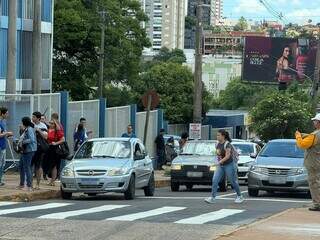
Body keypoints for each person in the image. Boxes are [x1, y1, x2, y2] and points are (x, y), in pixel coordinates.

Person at [205, 129, 244, 204]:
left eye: (218, 135)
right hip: (221, 165)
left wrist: (219, 162)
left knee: (233, 181)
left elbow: (228, 156)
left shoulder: (227, 144)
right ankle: (213, 198)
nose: (217, 137)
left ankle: (240, 196)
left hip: (229, 165)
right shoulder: (217, 144)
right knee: (215, 180)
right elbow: (218, 154)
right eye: (217, 135)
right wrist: (215, 161)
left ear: (223, 136)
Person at [295, 113, 320, 211]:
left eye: (315, 121)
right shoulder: (314, 134)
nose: (314, 123)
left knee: (314, 183)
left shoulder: (315, 135)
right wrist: (305, 135)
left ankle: (317, 204)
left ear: (318, 123)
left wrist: (298, 136)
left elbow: (302, 144)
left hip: (313, 163)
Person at [18, 117, 37, 191]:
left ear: (24, 122)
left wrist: (23, 142)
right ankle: (22, 184)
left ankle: (29, 186)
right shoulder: (27, 128)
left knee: (27, 167)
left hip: (29, 150)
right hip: (25, 150)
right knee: (21, 166)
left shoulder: (29, 129)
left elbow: (31, 139)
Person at [31, 112, 48, 190]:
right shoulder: (30, 124)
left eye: (34, 117)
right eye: (32, 116)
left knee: (38, 166)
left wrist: (38, 130)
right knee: (30, 166)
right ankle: (29, 183)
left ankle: (37, 184)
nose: (32, 118)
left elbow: (45, 137)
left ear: (38, 118)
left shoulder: (43, 125)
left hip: (39, 148)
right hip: (31, 148)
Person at [47, 119, 65, 186]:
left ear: (55, 125)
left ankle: (53, 181)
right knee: (50, 165)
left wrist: (56, 143)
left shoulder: (58, 131)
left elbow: (63, 140)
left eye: (52, 123)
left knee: (54, 165)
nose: (51, 124)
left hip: (55, 149)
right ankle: (51, 180)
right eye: (50, 123)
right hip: (50, 148)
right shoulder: (49, 130)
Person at [0, 107, 13, 186]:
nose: (7, 115)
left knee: (2, 164)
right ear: (2, 113)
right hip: (0, 146)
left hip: (3, 145)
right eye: (6, 113)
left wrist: (7, 135)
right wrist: (7, 133)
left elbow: (3, 133)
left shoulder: (4, 122)